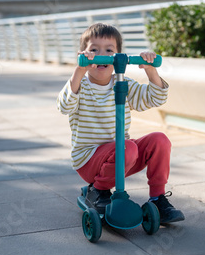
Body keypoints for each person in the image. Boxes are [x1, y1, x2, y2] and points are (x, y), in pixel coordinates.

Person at [57, 23, 184, 224]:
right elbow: (64, 105)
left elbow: (154, 98)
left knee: (160, 140)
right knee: (128, 148)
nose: (102, 55)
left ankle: (157, 198)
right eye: (94, 50)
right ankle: (98, 190)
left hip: (123, 155)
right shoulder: (80, 85)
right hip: (89, 160)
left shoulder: (123, 82)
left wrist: (150, 70)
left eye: (109, 50)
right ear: (83, 55)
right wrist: (79, 71)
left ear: (119, 56)